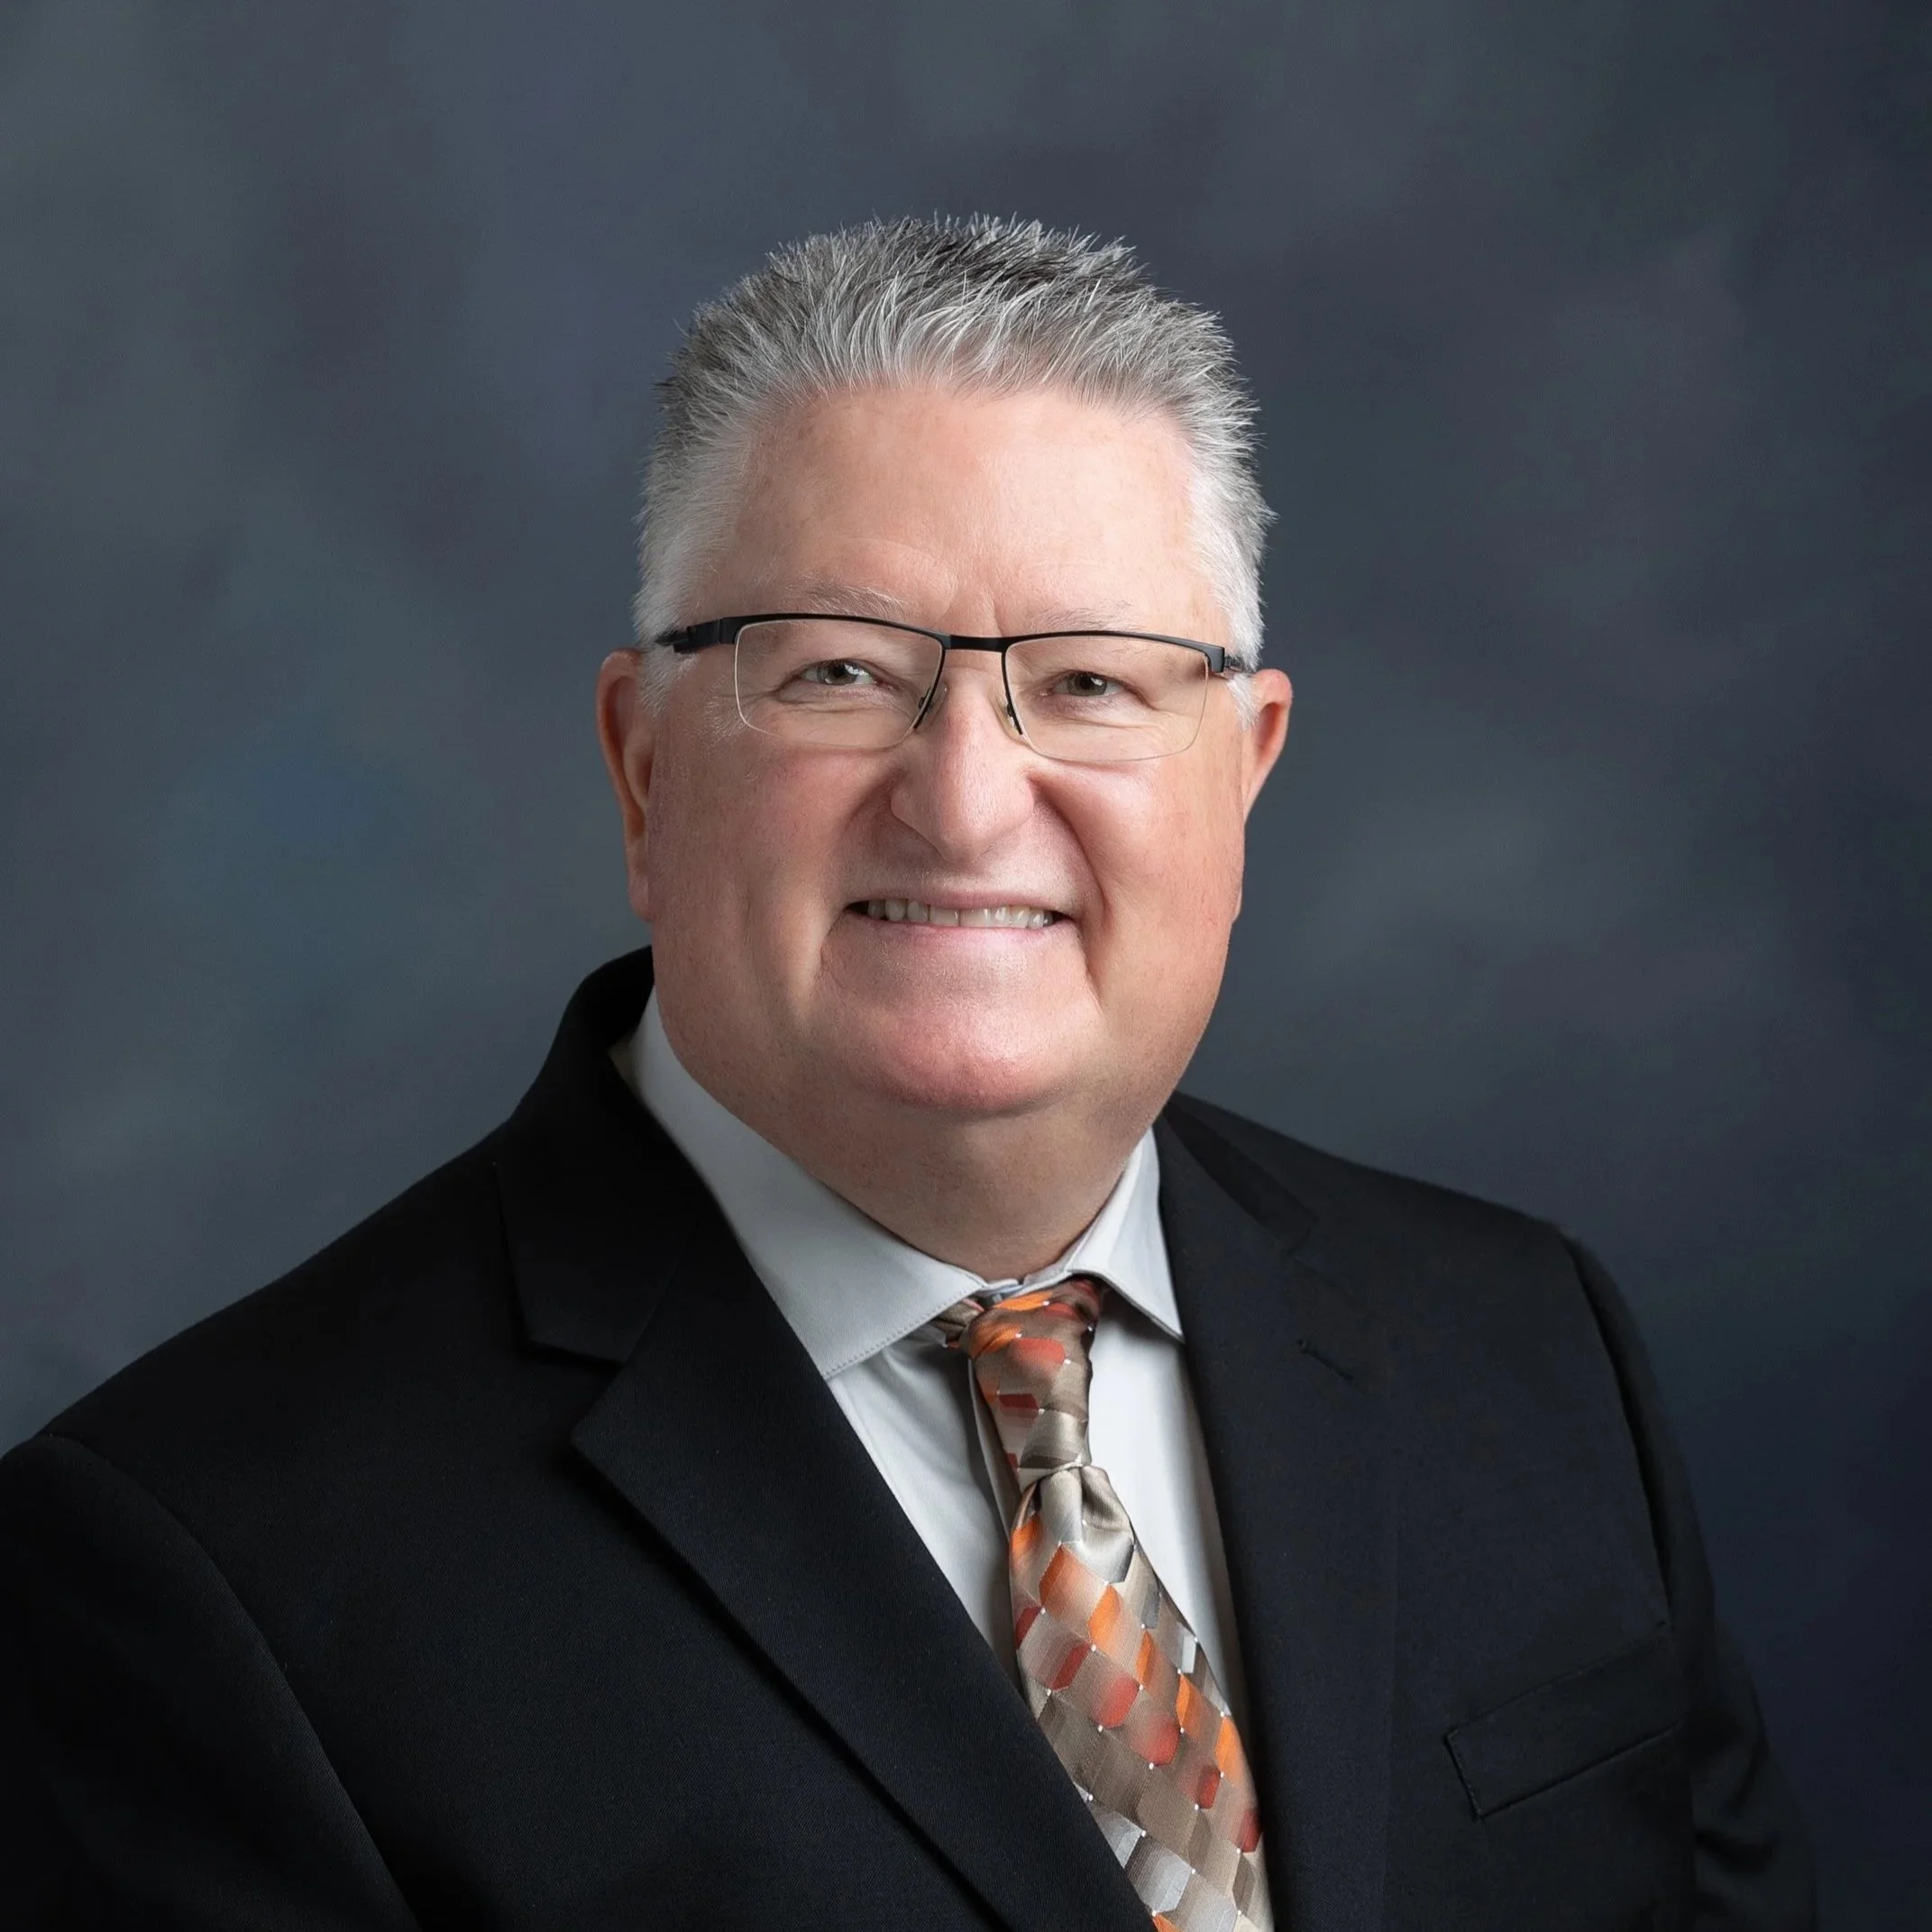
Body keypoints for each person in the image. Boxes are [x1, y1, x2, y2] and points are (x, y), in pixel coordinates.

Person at [0, 216, 1811, 1930]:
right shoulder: (202, 1572)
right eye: (841, 671)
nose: (963, 799)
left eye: (1094, 683)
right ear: (646, 768)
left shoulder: (1529, 1351)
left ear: (1242, 772)